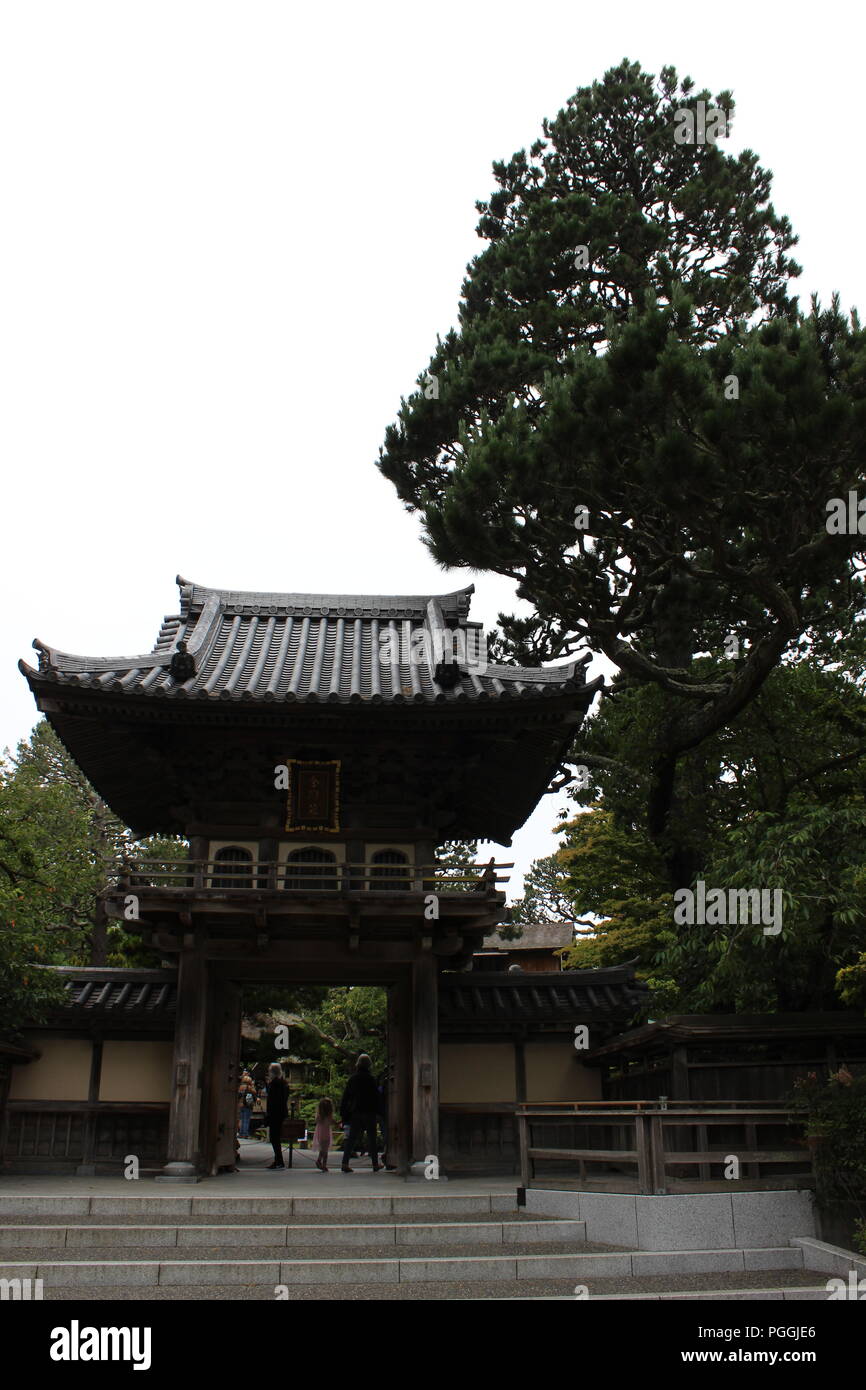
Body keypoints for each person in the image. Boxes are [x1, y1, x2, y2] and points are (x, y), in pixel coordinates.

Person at [339, 1054, 380, 1173]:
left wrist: (343, 1113)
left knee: (352, 1138)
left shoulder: (353, 1079)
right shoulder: (371, 1079)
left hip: (356, 1111)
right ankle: (375, 1164)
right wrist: (379, 1112)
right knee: (372, 1138)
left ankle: (345, 1163)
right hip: (369, 1111)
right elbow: (376, 1097)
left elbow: (346, 1097)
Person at [265, 1062, 289, 1169]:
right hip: (281, 1112)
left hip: (274, 1113)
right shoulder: (284, 1084)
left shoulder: (274, 1084)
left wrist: (268, 1114)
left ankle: (279, 1160)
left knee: (274, 1137)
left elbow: (272, 1101)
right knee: (276, 1137)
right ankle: (278, 1160)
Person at [312, 1097, 334, 1173]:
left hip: (320, 1135)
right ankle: (324, 1165)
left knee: (322, 1150)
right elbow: (333, 1122)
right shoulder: (329, 1117)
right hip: (326, 1135)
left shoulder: (319, 1116)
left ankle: (319, 1161)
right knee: (325, 1150)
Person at [238, 1071, 256, 1139]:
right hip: (248, 1105)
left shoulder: (240, 1087)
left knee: (242, 1119)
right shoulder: (250, 1088)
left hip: (241, 1104)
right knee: (246, 1120)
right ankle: (245, 1134)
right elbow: (254, 1095)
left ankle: (241, 1133)